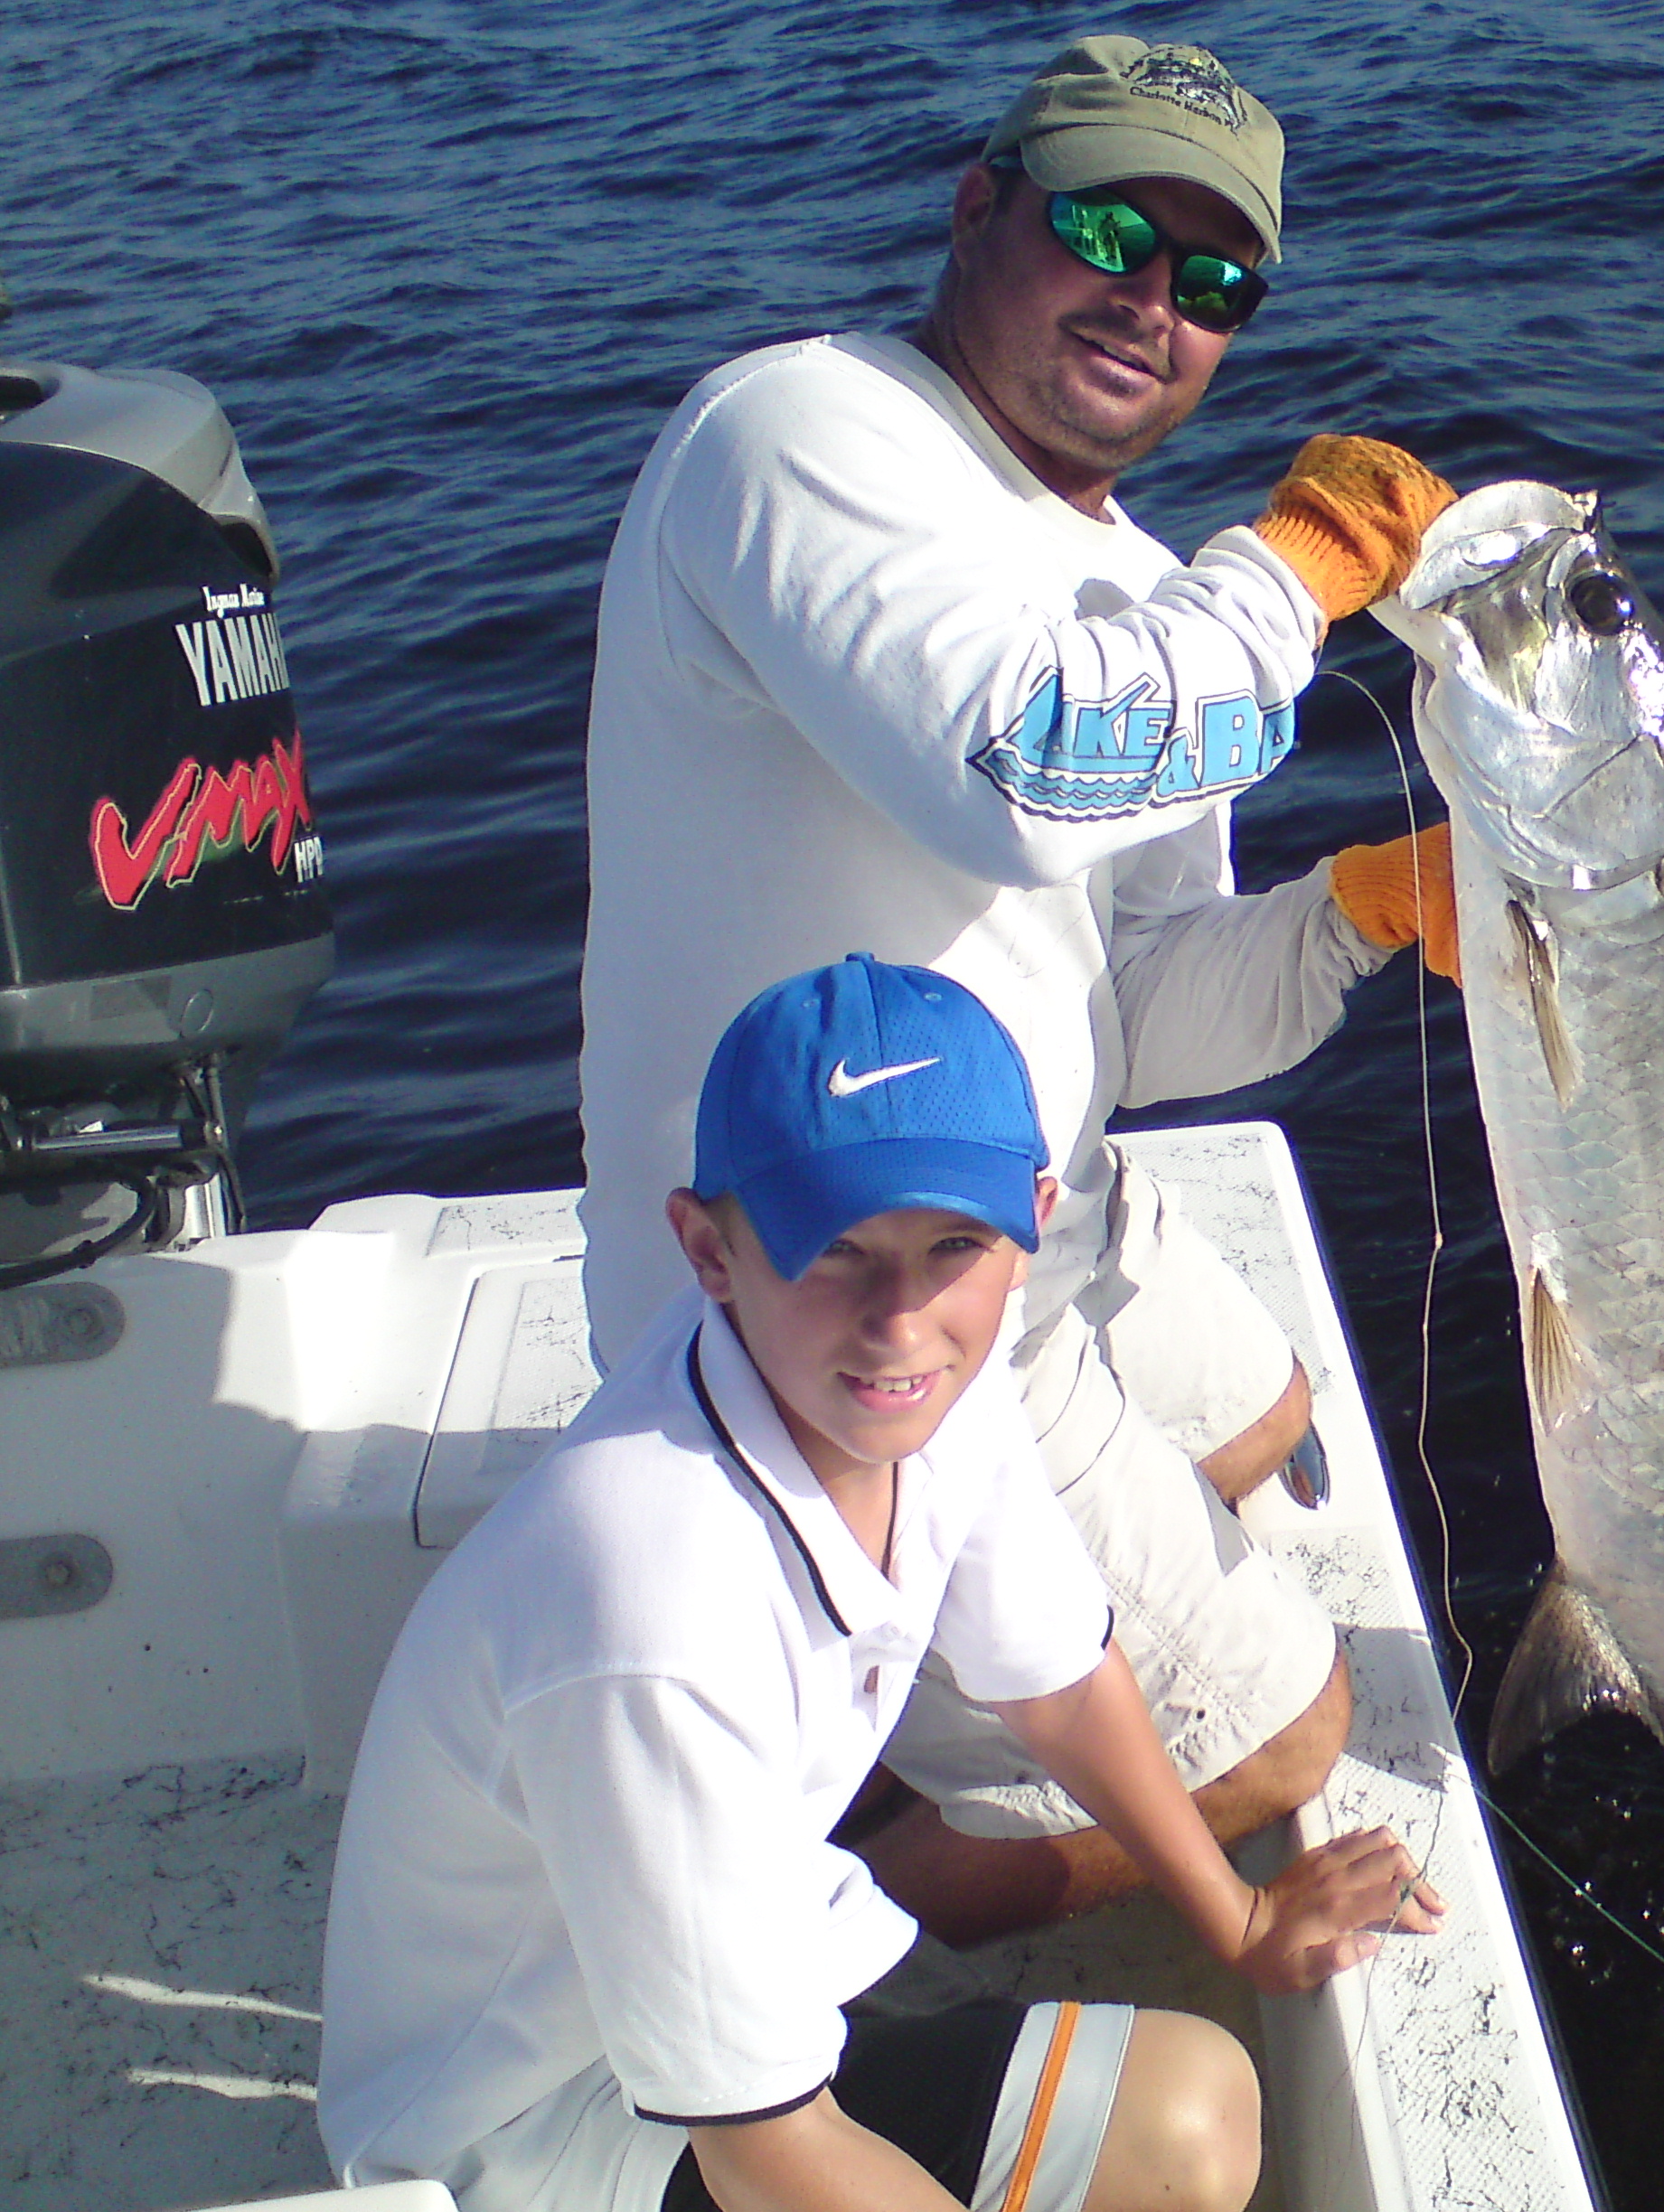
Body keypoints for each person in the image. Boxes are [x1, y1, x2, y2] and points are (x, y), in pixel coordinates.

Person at [574, 33, 1460, 1943]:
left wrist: (1371, 907)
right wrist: (1292, 579)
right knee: (1291, 1749)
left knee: (1277, 1431)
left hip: (1047, 1225)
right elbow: (1021, 767)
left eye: (1216, 282)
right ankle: (900, 1846)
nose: (1156, 305)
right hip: (822, 1304)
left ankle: (929, 1666)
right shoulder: (797, 436)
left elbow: (1137, 1016)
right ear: (980, 208)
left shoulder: (1131, 579)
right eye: (1113, 235)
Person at [321, 954, 1443, 2212]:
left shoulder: (924, 1402)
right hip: (528, 2145)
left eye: (951, 1242)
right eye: (836, 1250)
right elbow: (768, 2159)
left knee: (1196, 2115)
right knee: (1149, 2138)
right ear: (707, 1247)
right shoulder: (648, 1612)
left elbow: (1062, 1687)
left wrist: (1237, 1922)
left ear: (1031, 1225)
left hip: (732, 1973)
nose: (900, 1319)